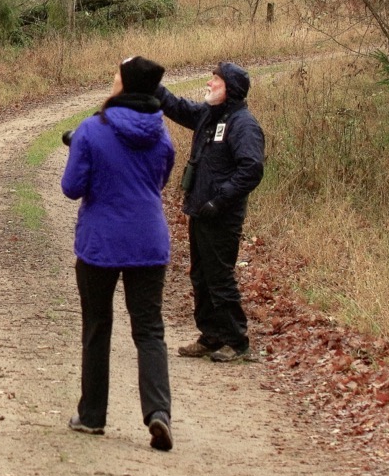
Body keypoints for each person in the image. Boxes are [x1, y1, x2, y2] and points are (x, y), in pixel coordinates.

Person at [59, 56, 176, 450]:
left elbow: (72, 187)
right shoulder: (161, 134)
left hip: (100, 243)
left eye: (115, 76)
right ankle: (159, 413)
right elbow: (161, 179)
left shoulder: (93, 129)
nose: (112, 80)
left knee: (97, 326)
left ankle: (92, 416)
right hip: (148, 239)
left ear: (125, 85)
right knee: (149, 330)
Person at [157, 61, 266, 363]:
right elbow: (178, 108)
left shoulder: (243, 124)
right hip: (200, 211)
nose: (209, 83)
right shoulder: (209, 115)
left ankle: (237, 341)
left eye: (215, 80)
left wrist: (220, 200)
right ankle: (211, 336)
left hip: (222, 216)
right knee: (201, 277)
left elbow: (252, 169)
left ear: (229, 88)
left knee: (220, 278)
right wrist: (152, 85)